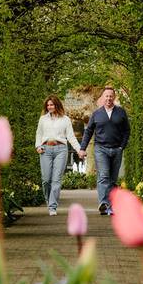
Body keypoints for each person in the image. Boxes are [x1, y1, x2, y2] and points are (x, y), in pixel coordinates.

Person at [78, 86, 130, 215]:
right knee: (104, 176)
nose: (109, 98)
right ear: (103, 98)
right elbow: (88, 131)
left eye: (111, 96)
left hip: (117, 149)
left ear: (114, 97)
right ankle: (103, 203)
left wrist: (121, 146)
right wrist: (82, 148)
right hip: (101, 149)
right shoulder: (96, 114)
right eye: (106, 96)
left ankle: (110, 206)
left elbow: (127, 130)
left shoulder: (121, 112)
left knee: (113, 179)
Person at [35, 95, 82, 216]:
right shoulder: (43, 119)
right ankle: (49, 200)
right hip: (45, 149)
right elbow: (39, 134)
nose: (50, 107)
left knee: (56, 180)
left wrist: (78, 149)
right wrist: (38, 146)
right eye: (48, 105)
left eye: (52, 104)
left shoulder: (65, 119)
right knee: (46, 180)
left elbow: (71, 137)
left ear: (57, 105)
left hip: (61, 150)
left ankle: (52, 206)